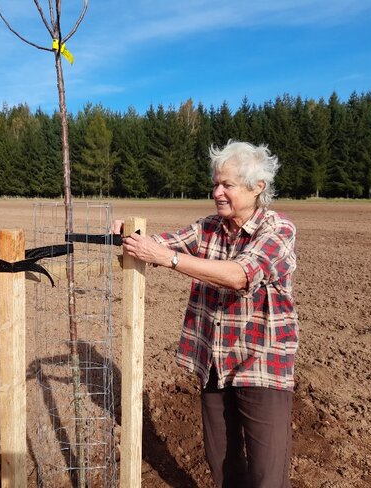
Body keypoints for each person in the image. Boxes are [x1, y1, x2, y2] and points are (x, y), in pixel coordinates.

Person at [115, 140, 298, 488]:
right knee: (222, 464)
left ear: (257, 187)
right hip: (215, 363)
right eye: (215, 184)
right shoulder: (209, 227)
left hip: (263, 363)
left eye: (226, 185)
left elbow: (240, 275)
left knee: (267, 475)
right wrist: (131, 237)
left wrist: (167, 259)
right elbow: (164, 242)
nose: (217, 192)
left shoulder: (278, 230)